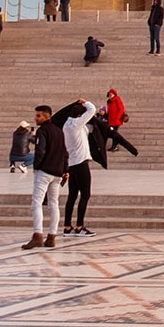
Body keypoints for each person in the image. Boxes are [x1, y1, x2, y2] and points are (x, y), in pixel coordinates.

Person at [22, 104, 69, 249]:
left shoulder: (42, 131)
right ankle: (52, 237)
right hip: (57, 173)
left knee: (36, 202)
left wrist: (37, 166)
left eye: (38, 115)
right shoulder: (58, 131)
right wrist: (65, 170)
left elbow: (40, 151)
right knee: (53, 204)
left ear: (46, 116)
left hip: (45, 171)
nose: (35, 118)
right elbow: (65, 153)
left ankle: (38, 235)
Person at [56, 98, 99, 233]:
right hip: (80, 163)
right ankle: (80, 226)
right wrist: (85, 102)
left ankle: (67, 226)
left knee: (72, 195)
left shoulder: (66, 125)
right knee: (85, 194)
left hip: (72, 164)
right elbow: (92, 109)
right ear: (80, 115)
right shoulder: (76, 124)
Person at [101, 89, 139, 156]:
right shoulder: (109, 101)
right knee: (113, 134)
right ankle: (113, 146)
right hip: (111, 120)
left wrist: (117, 117)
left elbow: (121, 109)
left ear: (114, 94)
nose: (110, 96)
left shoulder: (117, 99)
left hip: (116, 121)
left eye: (111, 94)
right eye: (109, 94)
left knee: (114, 134)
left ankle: (114, 146)